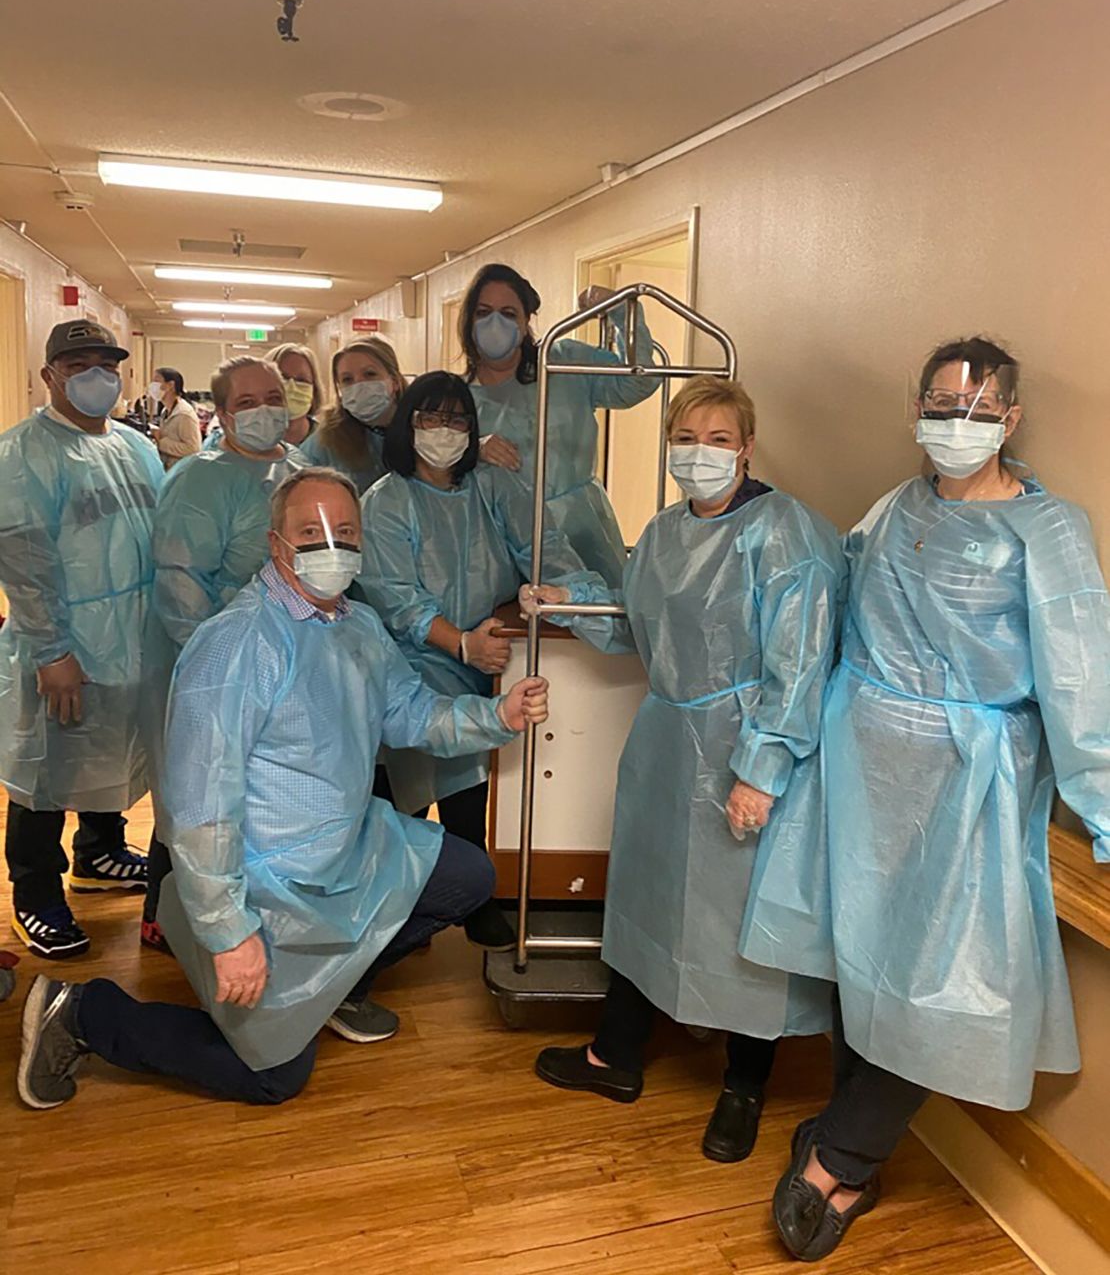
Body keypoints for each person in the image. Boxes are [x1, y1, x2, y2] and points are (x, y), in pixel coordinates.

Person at [16, 469, 550, 1109]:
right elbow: (199, 810)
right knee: (273, 1076)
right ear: (277, 544)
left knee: (467, 876)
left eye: (344, 531)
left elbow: (410, 713)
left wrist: (497, 717)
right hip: (263, 884)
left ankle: (336, 986)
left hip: (347, 851)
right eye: (311, 532)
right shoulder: (236, 644)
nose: (331, 545)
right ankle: (82, 1014)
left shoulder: (356, 627)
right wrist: (228, 931)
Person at [763, 338, 1110, 1263]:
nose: (956, 424)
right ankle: (854, 1142)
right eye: (940, 404)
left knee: (930, 979)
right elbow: (841, 607)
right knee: (859, 956)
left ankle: (841, 1153)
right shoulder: (893, 506)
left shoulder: (1050, 532)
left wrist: (1104, 807)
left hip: (970, 788)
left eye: (976, 408)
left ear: (1012, 418)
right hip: (861, 769)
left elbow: (1082, 679)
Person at [531, 377, 844, 1164]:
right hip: (668, 745)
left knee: (739, 925)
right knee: (647, 897)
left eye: (718, 439)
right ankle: (618, 1055)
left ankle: (744, 1086)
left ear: (746, 446)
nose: (699, 455)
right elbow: (635, 623)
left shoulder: (784, 534)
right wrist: (567, 600)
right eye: (686, 439)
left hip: (744, 750)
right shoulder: (666, 531)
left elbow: (799, 667)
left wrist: (761, 770)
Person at [360, 372, 599, 951]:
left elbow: (539, 549)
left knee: (482, 782)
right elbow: (398, 599)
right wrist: (460, 643)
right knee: (431, 778)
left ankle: (471, 894)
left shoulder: (493, 486)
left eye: (457, 418)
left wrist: (567, 595)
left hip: (493, 648)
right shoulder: (387, 502)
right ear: (407, 424)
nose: (445, 431)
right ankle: (407, 905)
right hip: (415, 658)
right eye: (430, 418)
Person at [0, 320, 162, 958]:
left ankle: (98, 853)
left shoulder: (134, 445)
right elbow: (25, 561)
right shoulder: (23, 454)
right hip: (64, 645)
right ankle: (35, 895)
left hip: (133, 638)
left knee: (114, 748)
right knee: (44, 770)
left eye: (106, 363)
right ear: (49, 376)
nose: (97, 376)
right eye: (79, 365)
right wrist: (51, 651)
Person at [140, 355, 307, 946]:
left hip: (292, 663)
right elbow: (182, 586)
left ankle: (259, 917)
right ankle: (168, 916)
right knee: (198, 790)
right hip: (215, 661)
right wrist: (219, 668)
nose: (264, 411)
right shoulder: (200, 479)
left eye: (272, 397)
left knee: (262, 795)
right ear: (223, 414)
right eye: (247, 403)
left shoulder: (301, 468)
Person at [460, 263, 661, 585]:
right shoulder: (457, 398)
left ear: (527, 322)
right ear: (468, 320)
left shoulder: (562, 364)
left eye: (509, 313)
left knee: (593, 620)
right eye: (483, 312)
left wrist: (624, 314)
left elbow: (636, 384)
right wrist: (471, 448)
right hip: (499, 541)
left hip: (579, 529)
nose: (495, 323)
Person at [301, 336, 405, 494]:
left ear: (395, 381)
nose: (359, 385)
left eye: (370, 374)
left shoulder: (422, 430)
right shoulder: (326, 441)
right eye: (347, 379)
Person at [148, 366, 201, 469]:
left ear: (170, 385)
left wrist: (161, 441)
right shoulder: (166, 411)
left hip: (181, 473)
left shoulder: (184, 414)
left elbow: (193, 449)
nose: (153, 386)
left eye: (157, 381)